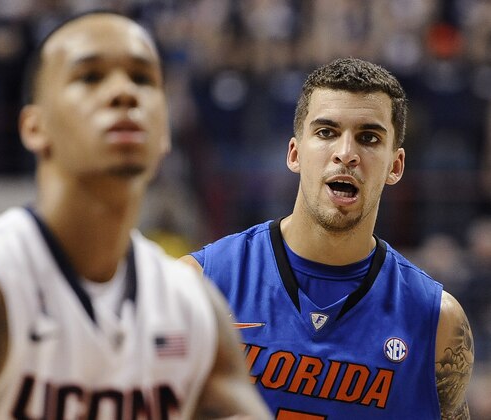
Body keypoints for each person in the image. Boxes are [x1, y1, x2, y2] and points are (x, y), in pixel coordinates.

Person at [0, 11, 271, 419]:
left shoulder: (191, 307)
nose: (124, 92)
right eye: (90, 77)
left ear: (164, 130)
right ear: (34, 127)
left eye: (143, 78)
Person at [180, 58, 475, 419]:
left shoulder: (438, 321)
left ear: (395, 166)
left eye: (368, 138)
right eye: (326, 132)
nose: (346, 154)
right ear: (294, 153)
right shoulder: (198, 285)